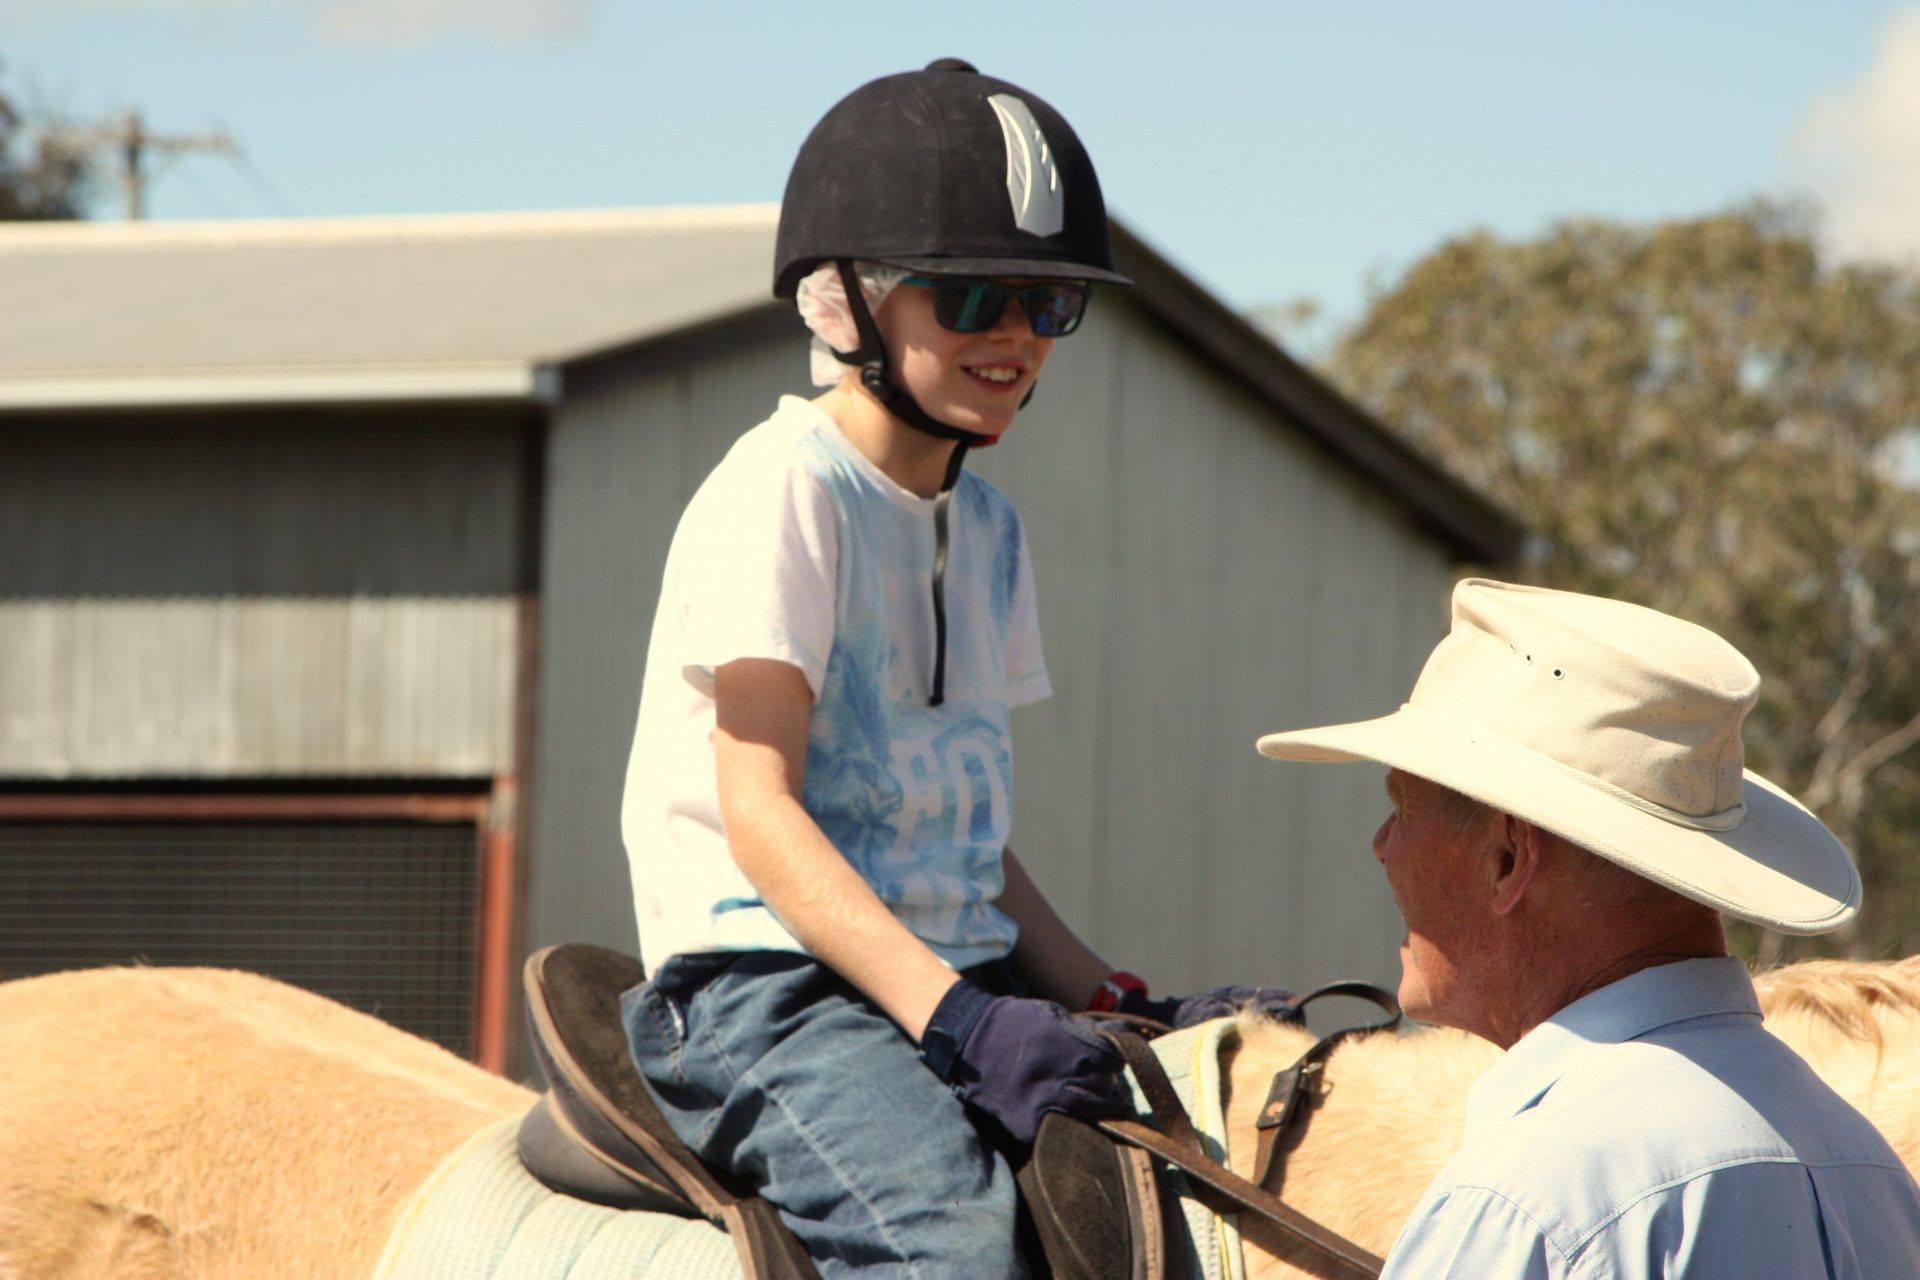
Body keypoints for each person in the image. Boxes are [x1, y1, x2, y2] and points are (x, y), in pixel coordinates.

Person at [616, 59, 1292, 1277]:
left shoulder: (987, 531)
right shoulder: (784, 492)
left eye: (1049, 305)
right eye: (974, 294)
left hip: (945, 975)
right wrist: (958, 1016)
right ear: (843, 306)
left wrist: (1120, 992)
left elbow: (967, 839)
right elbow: (759, 813)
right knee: (956, 1253)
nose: (1017, 337)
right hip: (762, 987)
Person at [1256, 578, 1920, 1278]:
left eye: (1405, 809)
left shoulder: (1531, 1204)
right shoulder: (1872, 1178)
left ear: (1508, 856)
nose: (1383, 844)